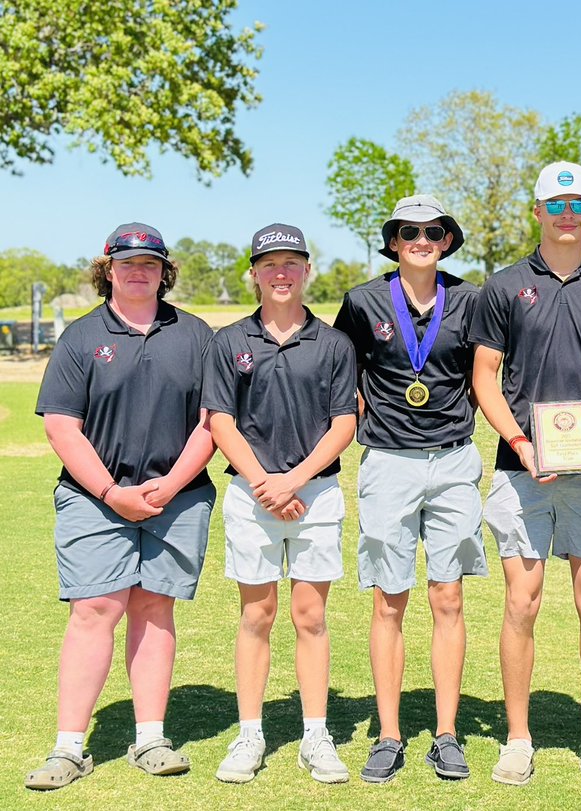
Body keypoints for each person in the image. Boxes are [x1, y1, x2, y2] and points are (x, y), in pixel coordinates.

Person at [26, 223, 216, 790]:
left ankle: (150, 739)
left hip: (177, 498)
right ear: (107, 270)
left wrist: (170, 485)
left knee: (155, 609)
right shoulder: (81, 336)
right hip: (94, 498)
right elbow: (62, 426)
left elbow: (213, 421)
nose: (139, 272)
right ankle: (68, 748)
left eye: (150, 264)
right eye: (127, 263)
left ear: (164, 272)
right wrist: (112, 493)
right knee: (94, 609)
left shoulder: (196, 334)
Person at [470, 161, 581, 792]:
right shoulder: (504, 286)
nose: (568, 215)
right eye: (557, 205)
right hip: (521, 471)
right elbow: (485, 376)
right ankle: (518, 740)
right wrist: (519, 441)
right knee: (522, 602)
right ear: (537, 211)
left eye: (579, 205)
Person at [333, 195, 486, 783]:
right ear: (393, 241)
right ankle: (389, 735)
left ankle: (446, 735)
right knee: (388, 600)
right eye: (409, 232)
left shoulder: (470, 299)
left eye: (433, 231)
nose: (421, 240)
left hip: (453, 461)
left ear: (447, 240)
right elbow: (344, 375)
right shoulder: (363, 301)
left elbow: (483, 378)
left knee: (448, 598)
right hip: (388, 463)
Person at [204, 224, 357, 784]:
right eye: (270, 264)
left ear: (307, 269)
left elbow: (344, 423)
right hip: (251, 495)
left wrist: (292, 480)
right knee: (257, 615)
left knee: (311, 616)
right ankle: (250, 733)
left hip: (315, 492)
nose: (281, 273)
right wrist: (265, 483)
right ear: (254, 273)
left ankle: (316, 734)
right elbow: (220, 420)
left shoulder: (334, 343)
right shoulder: (229, 341)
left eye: (292, 262)